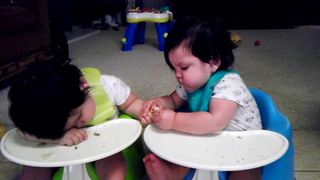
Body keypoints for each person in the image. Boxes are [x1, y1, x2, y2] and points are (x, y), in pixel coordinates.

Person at [140, 16, 262, 180]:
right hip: (211, 139)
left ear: (213, 62)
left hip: (242, 143)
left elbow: (214, 122)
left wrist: (173, 120)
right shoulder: (192, 83)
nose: (178, 75)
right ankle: (173, 173)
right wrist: (159, 103)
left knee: (247, 169)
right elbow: (173, 100)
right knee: (185, 146)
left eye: (184, 67)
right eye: (173, 69)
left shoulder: (229, 85)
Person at [8, 64, 144, 180]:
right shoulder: (38, 116)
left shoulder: (109, 87)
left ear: (84, 85)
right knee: (36, 163)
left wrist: (146, 112)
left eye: (79, 117)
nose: (79, 126)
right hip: (60, 147)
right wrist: (57, 138)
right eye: (66, 127)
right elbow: (25, 134)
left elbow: (132, 103)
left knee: (113, 164)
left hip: (105, 144)